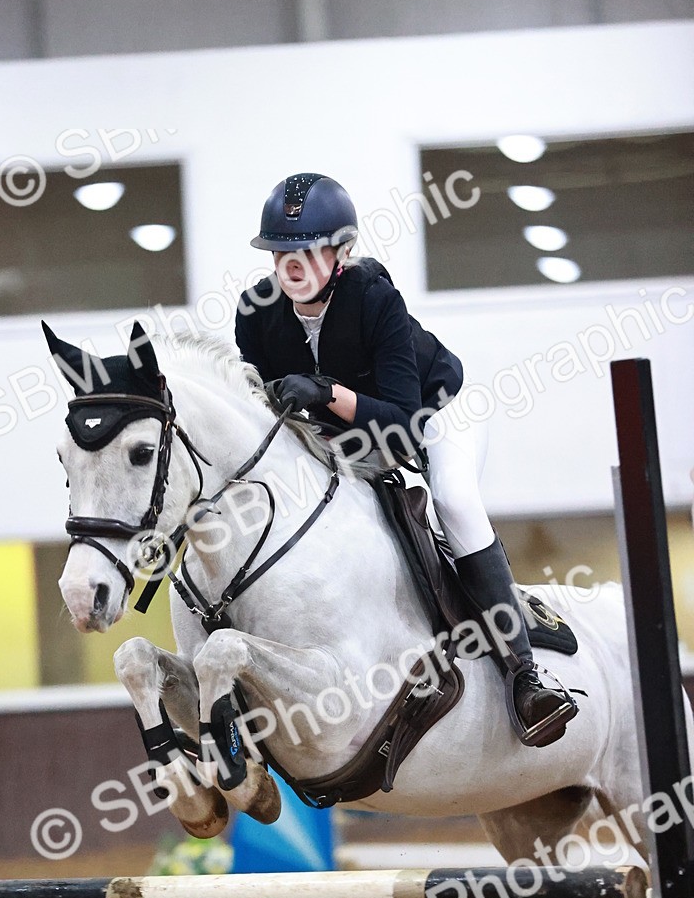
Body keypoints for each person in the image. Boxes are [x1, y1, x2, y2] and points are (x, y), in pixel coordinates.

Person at [235, 172, 576, 747]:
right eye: (280, 252)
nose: (291, 265)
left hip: (434, 413)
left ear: (342, 253)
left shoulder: (374, 298)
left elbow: (401, 421)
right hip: (341, 432)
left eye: (308, 251)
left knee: (454, 501)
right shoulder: (256, 313)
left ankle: (525, 674)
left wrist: (326, 391)